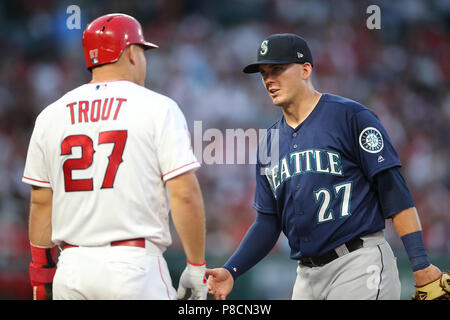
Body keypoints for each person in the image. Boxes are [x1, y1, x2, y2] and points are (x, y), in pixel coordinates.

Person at [206, 33, 443, 300]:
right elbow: (267, 222)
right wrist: (232, 270)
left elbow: (393, 192)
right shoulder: (268, 143)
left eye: (278, 69)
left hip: (359, 263)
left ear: (306, 69)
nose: (269, 79)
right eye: (263, 73)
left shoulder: (350, 117)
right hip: (306, 277)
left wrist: (421, 265)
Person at [23, 13, 207, 300]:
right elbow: (184, 193)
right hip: (133, 267)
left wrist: (41, 275)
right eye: (143, 52)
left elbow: (40, 201)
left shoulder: (50, 115)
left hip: (71, 270)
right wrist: (196, 268)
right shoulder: (158, 107)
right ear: (132, 54)